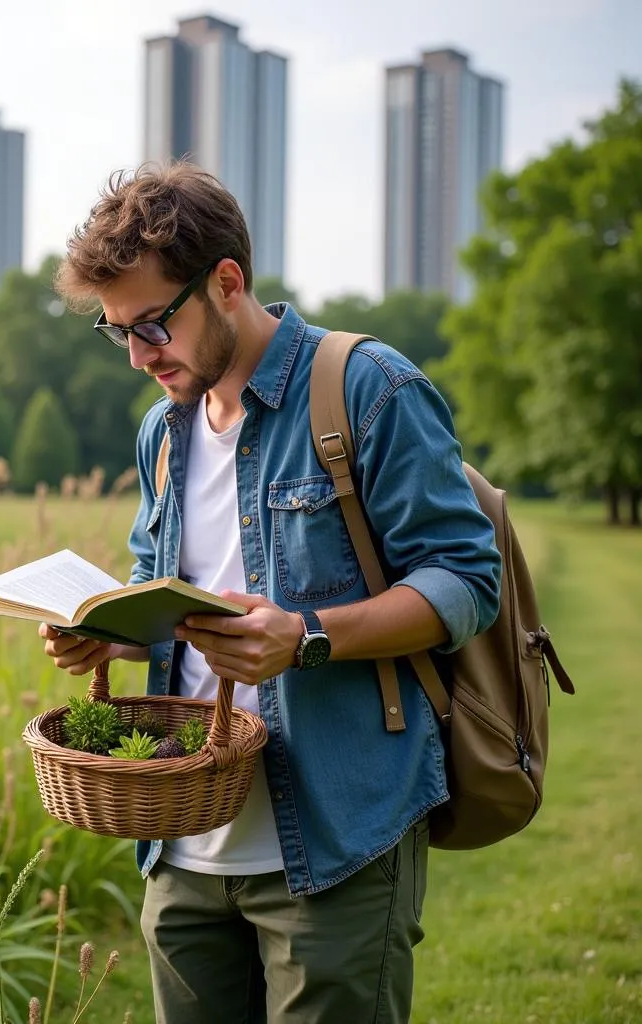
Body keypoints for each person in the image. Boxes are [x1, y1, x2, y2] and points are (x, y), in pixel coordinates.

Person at [39, 162, 502, 1024]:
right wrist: (113, 636)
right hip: (181, 845)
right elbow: (163, 594)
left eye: (153, 325)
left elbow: (468, 582)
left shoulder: (366, 387)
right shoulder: (162, 431)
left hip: (339, 835)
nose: (141, 357)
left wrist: (308, 635)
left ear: (226, 282)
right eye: (118, 334)